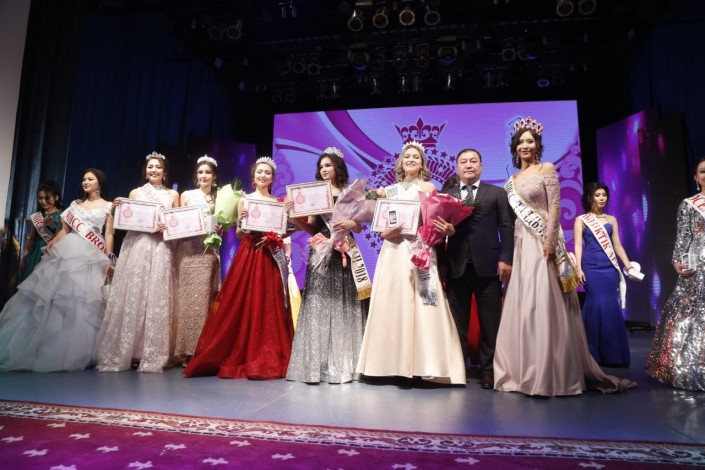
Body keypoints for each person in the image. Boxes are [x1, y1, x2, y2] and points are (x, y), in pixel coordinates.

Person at [494, 117, 636, 396]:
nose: (525, 146)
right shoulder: (512, 181)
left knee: (542, 299)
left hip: (543, 241)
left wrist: (549, 242)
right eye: (521, 142)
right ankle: (524, 368)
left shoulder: (546, 168)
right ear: (515, 147)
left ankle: (550, 370)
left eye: (530, 141)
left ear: (537, 145)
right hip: (521, 241)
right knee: (523, 300)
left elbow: (555, 208)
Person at [356, 141, 466, 385]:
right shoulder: (388, 191)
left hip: (419, 248)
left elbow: (433, 220)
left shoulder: (429, 187)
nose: (411, 160)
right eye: (407, 156)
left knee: (424, 301)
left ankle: (425, 366)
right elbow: (381, 226)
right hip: (393, 249)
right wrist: (386, 232)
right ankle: (387, 365)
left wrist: (442, 230)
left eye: (416, 156)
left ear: (422, 162)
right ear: (401, 162)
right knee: (393, 300)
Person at [184, 157, 294, 379]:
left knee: (270, 300)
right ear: (253, 176)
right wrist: (243, 221)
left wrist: (285, 222)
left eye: (267, 173)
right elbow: (239, 234)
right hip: (250, 253)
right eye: (259, 172)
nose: (263, 175)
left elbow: (286, 232)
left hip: (270, 254)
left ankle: (268, 350)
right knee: (244, 300)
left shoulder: (279, 202)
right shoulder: (245, 199)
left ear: (273, 178)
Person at [0, 169, 114, 372]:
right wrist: (53, 242)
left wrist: (109, 257)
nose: (85, 182)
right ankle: (47, 348)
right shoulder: (75, 205)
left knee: (85, 301)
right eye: (84, 179)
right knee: (58, 299)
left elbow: (109, 234)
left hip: (91, 254)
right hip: (69, 250)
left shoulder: (109, 206)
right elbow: (65, 230)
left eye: (90, 179)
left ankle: (81, 350)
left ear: (99, 183)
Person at [286, 147, 369, 384]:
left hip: (343, 249)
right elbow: (312, 227)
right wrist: (294, 218)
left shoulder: (350, 192)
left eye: (328, 165)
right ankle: (316, 365)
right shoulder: (316, 194)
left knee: (343, 302)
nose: (323, 169)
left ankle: (342, 364)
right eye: (321, 166)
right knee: (318, 303)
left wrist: (351, 223)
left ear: (337, 167)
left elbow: (359, 227)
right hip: (321, 249)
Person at [95, 152, 180, 373]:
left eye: (158, 167)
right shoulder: (136, 192)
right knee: (136, 295)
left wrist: (166, 226)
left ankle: (150, 352)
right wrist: (119, 209)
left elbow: (176, 222)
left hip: (161, 247)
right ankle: (130, 351)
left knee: (156, 296)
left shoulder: (173, 195)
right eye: (150, 167)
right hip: (138, 245)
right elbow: (128, 219)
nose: (154, 170)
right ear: (145, 170)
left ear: (165, 171)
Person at [439, 149, 514, 389]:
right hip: (456, 266)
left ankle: (489, 370)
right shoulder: (447, 195)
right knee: (457, 323)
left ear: (481, 166)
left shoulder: (496, 193)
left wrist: (506, 258)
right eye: (463, 161)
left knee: (491, 323)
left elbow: (507, 227)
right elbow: (437, 231)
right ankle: (458, 368)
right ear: (457, 167)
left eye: (473, 161)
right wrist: (441, 262)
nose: (468, 165)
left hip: (489, 267)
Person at [646, 157, 705, 391]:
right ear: (696, 177)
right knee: (693, 310)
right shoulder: (689, 204)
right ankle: (690, 367)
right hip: (698, 262)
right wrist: (678, 260)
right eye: (703, 171)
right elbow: (683, 236)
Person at [575, 182, 638, 367]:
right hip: (590, 267)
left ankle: (613, 354)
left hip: (609, 267)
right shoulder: (581, 220)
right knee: (596, 303)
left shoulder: (612, 220)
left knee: (610, 304)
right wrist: (578, 268)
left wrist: (628, 266)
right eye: (598, 195)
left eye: (604, 195)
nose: (602, 198)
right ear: (590, 198)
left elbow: (617, 245)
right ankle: (592, 353)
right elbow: (578, 246)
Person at [174, 155, 221, 367]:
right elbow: (176, 221)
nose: (204, 176)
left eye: (208, 172)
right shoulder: (186, 196)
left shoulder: (220, 198)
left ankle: (200, 349)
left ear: (214, 176)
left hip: (207, 252)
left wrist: (220, 228)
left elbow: (224, 224)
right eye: (200, 172)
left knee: (204, 302)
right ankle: (184, 350)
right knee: (185, 301)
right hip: (187, 250)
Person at [19, 181, 63, 283]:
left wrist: (51, 227)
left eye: (47, 198)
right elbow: (31, 240)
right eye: (40, 198)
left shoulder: (62, 216)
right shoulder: (37, 217)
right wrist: (24, 258)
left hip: (51, 254)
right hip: (35, 253)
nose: (43, 201)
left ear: (56, 197)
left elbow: (63, 237)